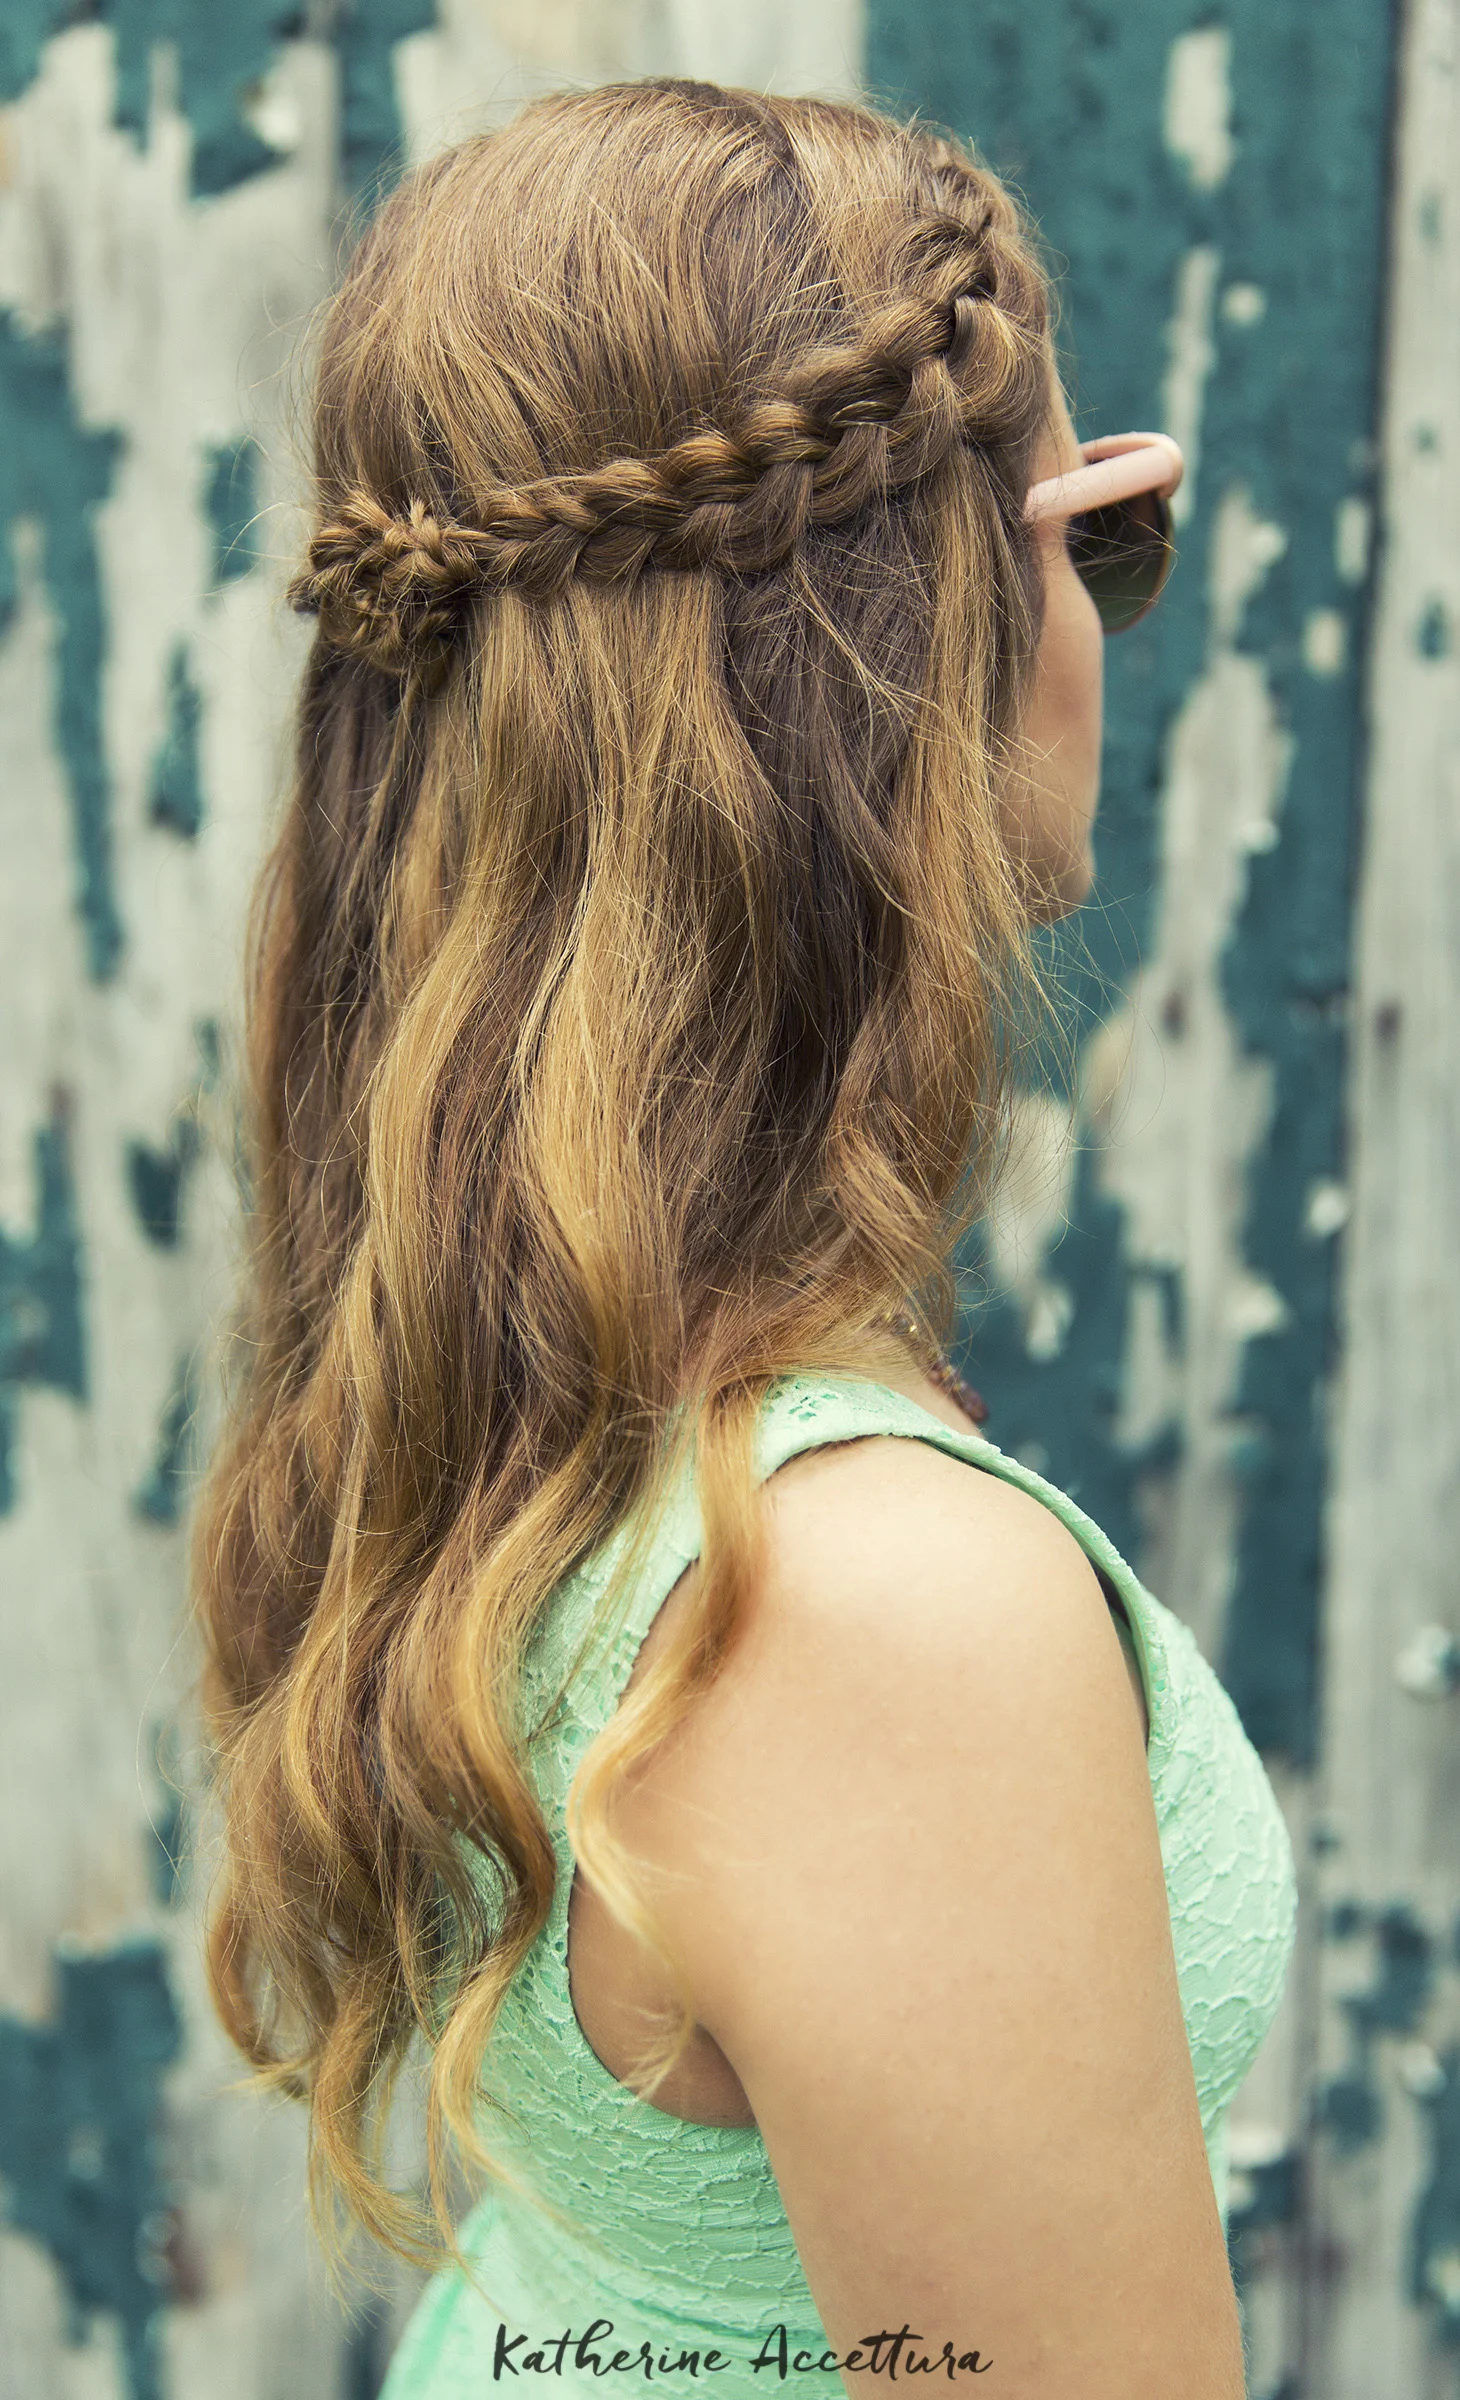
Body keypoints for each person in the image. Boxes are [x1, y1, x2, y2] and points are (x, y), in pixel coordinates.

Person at [192, 77, 1296, 2399]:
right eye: (1103, 542)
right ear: (929, 628)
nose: (1113, 626)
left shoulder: (517, 1371)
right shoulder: (862, 1611)